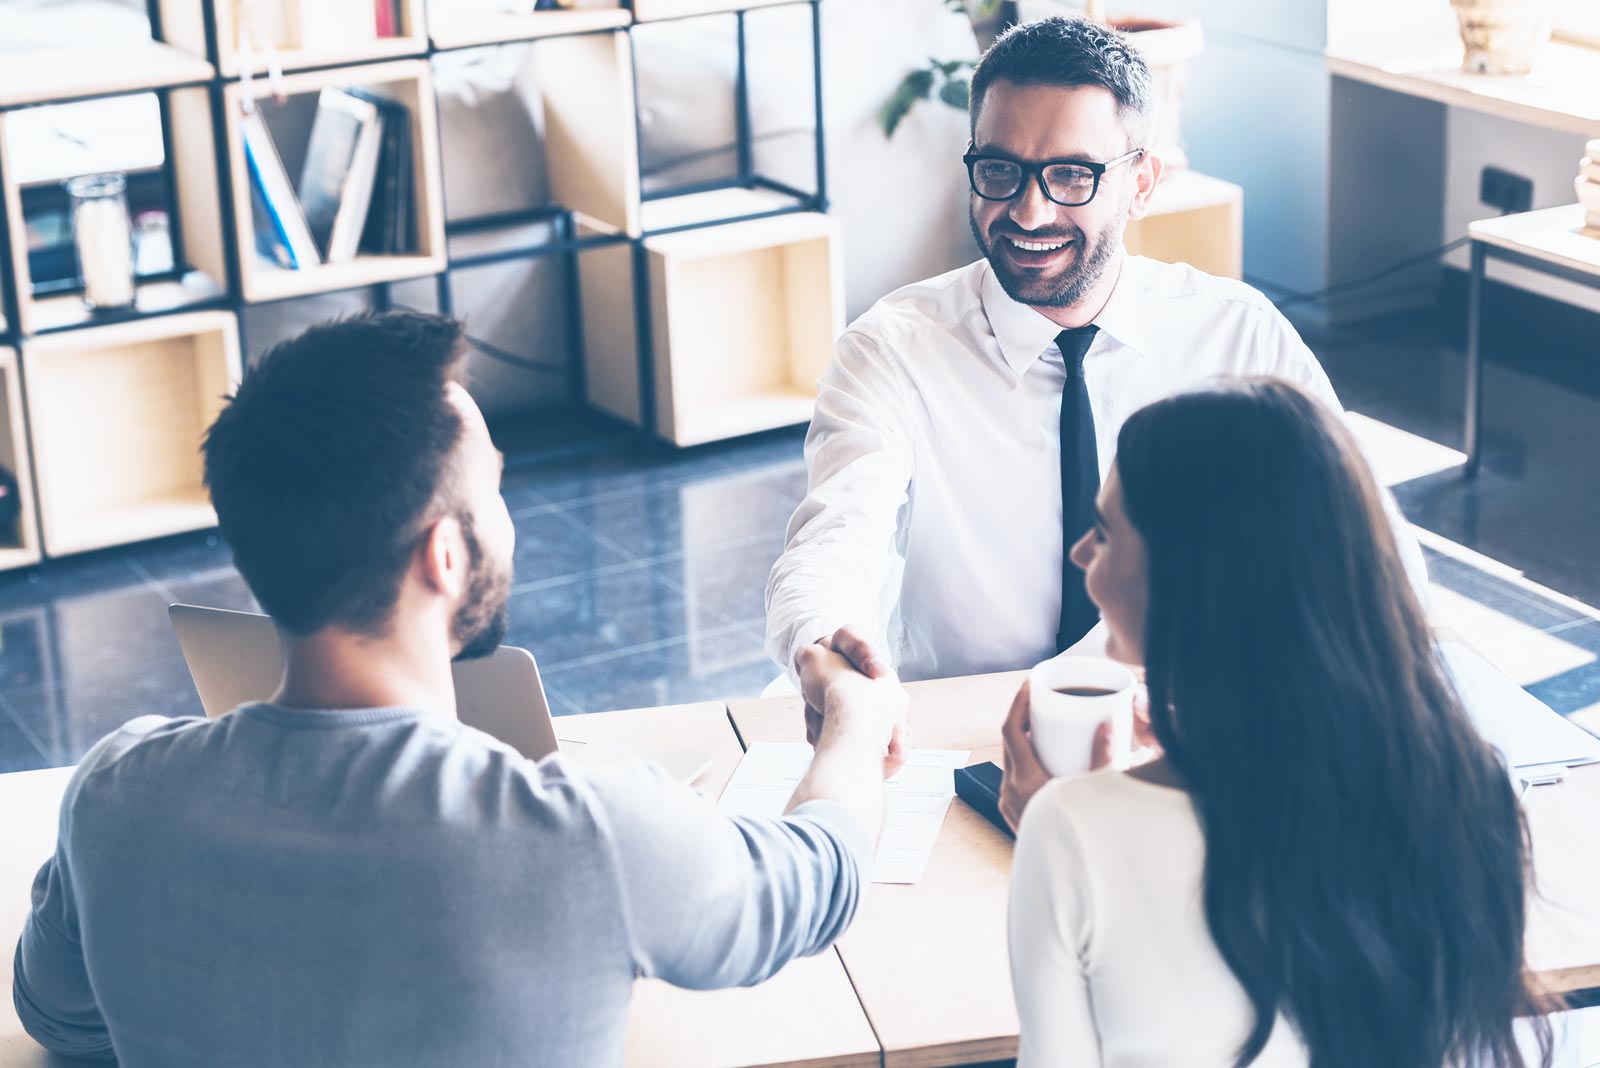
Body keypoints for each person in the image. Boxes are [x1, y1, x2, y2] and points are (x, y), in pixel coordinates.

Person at [12, 312, 906, 1067]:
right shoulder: (588, 831)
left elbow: (52, 1012)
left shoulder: (116, 794)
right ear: (444, 554)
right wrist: (854, 723)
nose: (508, 525)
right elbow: (815, 881)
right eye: (497, 493)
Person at [766, 16, 1424, 694]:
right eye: (1000, 170)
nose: (1028, 212)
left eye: (1072, 176)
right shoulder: (892, 350)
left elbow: (1366, 542)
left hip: (1184, 712)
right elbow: (832, 537)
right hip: (967, 719)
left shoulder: (1237, 335)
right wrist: (822, 642)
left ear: (1141, 184)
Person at [998, 378, 1551, 1068]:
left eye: (1106, 533)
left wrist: (1057, 824)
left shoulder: (1072, 830)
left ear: (1190, 583)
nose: (1082, 552)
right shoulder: (1474, 789)